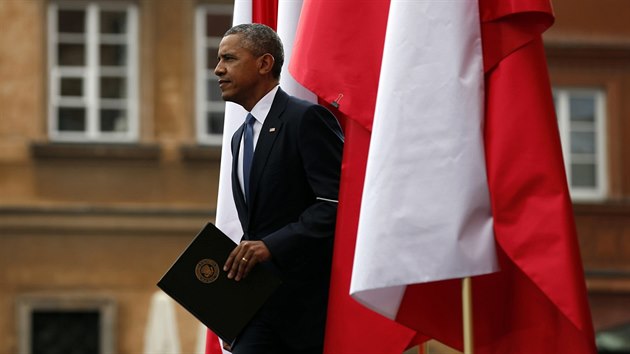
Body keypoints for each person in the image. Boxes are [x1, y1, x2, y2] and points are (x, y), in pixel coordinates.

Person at [215, 23, 344, 354]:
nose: (218, 69)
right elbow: (252, 229)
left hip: (303, 315)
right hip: (255, 312)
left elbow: (336, 204)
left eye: (229, 58)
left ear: (264, 63)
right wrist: (232, 313)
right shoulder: (238, 138)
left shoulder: (306, 119)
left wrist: (271, 245)